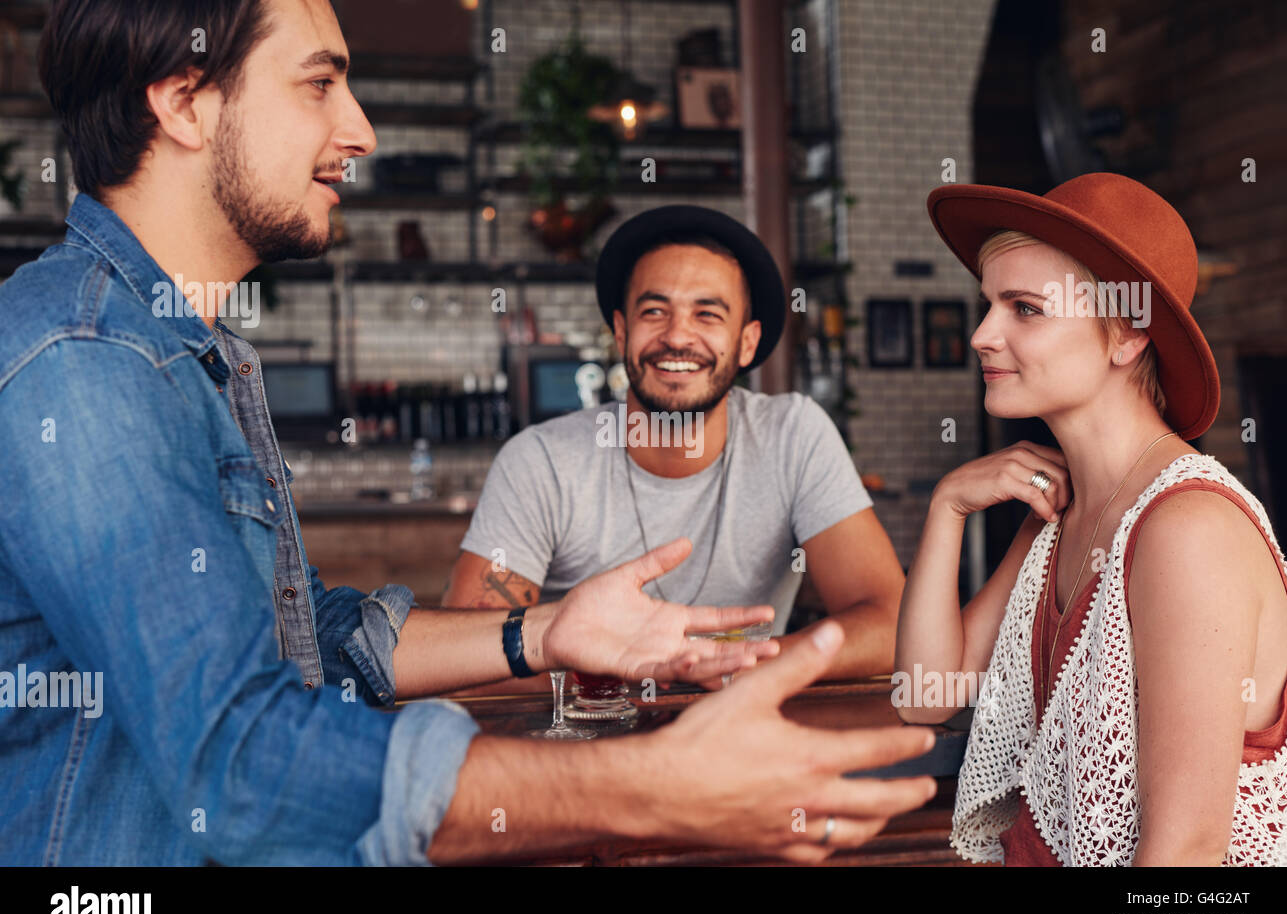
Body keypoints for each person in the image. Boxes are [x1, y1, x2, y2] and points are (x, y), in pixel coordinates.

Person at [0, 0, 940, 866]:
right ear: (184, 104)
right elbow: (238, 757)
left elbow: (310, 642)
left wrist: (545, 632)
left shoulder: (199, 357)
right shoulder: (84, 359)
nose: (359, 129)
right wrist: (650, 788)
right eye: (320, 83)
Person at [894, 171, 1287, 866]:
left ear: (1126, 337)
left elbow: (1184, 852)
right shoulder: (1056, 511)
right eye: (988, 306)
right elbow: (925, 695)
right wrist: (947, 506)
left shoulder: (1188, 530)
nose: (982, 336)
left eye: (1024, 309)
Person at [443, 205, 905, 688]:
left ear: (747, 343)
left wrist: (730, 666)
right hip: (582, 749)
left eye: (707, 314)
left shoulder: (794, 436)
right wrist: (623, 674)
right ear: (622, 333)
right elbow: (468, 663)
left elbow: (891, 624)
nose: (678, 335)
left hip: (738, 735)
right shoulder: (540, 462)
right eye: (654, 311)